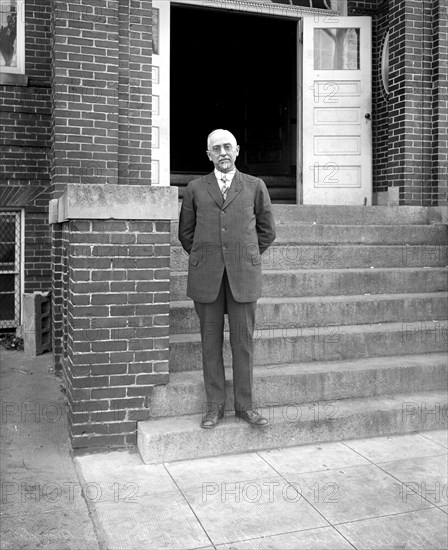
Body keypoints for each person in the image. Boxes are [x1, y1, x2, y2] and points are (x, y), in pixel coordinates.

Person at [178, 129, 276, 429]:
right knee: (210, 343)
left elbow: (267, 230)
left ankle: (245, 406)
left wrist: (244, 256)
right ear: (208, 154)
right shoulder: (195, 188)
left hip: (243, 276)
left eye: (227, 147)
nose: (223, 152)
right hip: (206, 277)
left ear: (236, 151)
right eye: (216, 148)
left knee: (242, 343)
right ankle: (214, 407)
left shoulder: (255, 186)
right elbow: (185, 233)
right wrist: (208, 256)